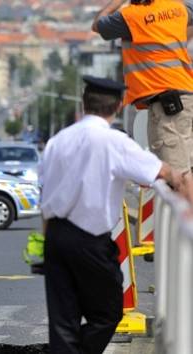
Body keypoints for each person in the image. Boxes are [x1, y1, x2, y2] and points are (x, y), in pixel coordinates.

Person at [39, 76, 184, 354]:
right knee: (107, 313)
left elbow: (45, 196)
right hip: (90, 239)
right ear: (118, 105)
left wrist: (47, 244)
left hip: (56, 236)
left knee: (62, 320)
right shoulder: (113, 141)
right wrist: (180, 181)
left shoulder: (58, 141)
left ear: (83, 104)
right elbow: (160, 172)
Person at [93, 0, 193, 174]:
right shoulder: (177, 9)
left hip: (167, 105)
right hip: (180, 96)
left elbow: (97, 25)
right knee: (176, 170)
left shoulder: (131, 16)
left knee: (177, 175)